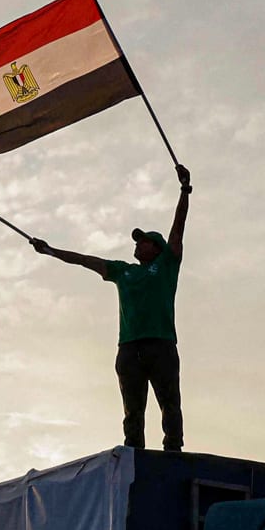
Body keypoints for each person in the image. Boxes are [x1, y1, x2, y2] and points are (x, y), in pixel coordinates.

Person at [31, 163, 191, 451]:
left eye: (143, 241)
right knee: (133, 413)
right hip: (129, 348)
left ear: (156, 248)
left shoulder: (167, 264)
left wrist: (184, 191)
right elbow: (85, 260)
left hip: (161, 344)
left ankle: (173, 453)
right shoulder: (122, 271)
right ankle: (134, 456)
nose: (138, 244)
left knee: (170, 404)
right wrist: (51, 250)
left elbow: (178, 228)